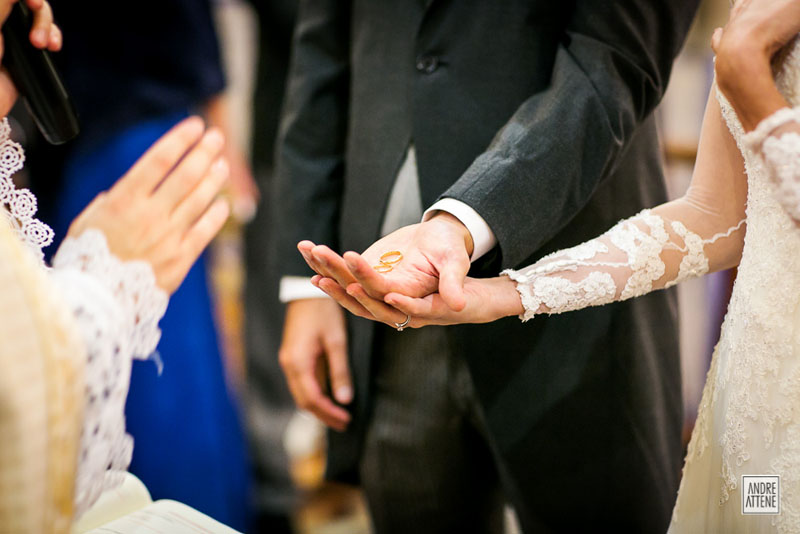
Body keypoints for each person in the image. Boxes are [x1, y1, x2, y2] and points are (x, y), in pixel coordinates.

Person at [308, 0, 800, 531]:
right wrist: (508, 292)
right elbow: (713, 218)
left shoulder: (750, 43)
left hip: (753, 377)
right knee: (759, 512)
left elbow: (612, 64)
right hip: (757, 391)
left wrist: (752, 83)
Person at [0, 0, 231, 530]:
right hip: (79, 137)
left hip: (135, 106)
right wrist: (99, 289)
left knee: (170, 383)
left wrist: (213, 102)